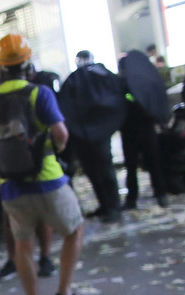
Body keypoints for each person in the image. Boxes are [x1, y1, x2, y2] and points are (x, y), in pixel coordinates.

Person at [0, 34, 93, 295]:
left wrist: (1, 173)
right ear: (27, 64)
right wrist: (53, 152)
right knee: (74, 229)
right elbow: (61, 134)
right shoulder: (38, 93)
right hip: (49, 181)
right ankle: (64, 294)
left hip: (12, 189)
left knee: (21, 246)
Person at [58, 50, 127, 224]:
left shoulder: (75, 79)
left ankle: (111, 206)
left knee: (98, 171)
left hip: (83, 134)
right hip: (99, 132)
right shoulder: (104, 75)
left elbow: (64, 106)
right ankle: (109, 206)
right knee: (101, 170)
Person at [119, 50, 171, 210]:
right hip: (143, 128)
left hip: (132, 129)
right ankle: (158, 194)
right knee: (148, 162)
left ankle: (136, 197)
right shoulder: (141, 83)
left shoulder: (125, 85)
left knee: (136, 164)